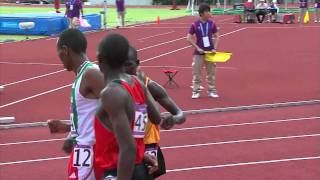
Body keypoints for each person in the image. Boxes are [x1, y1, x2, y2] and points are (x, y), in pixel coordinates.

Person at [94, 33, 161, 180]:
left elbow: (128, 147)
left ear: (100, 60)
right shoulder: (137, 83)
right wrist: (141, 154)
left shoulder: (111, 93)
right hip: (138, 167)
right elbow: (156, 118)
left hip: (120, 171)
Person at [124, 46, 186, 178]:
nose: (125, 70)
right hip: (126, 145)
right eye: (121, 65)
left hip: (147, 144)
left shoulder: (149, 86)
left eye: (129, 64)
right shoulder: (115, 86)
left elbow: (180, 114)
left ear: (137, 63)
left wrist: (174, 119)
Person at [53, 29, 105, 180]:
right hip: (81, 151)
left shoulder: (91, 74)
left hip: (91, 153)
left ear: (65, 50)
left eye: (60, 55)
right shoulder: (82, 75)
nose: (60, 60)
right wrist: (70, 129)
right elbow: (91, 116)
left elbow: (117, 109)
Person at [187, 3, 220, 99]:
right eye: (207, 11)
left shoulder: (212, 23)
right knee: (196, 74)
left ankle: (212, 91)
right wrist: (197, 48)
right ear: (202, 13)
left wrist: (215, 48)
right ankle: (196, 91)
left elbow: (217, 36)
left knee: (211, 73)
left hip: (210, 52)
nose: (209, 13)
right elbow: (188, 38)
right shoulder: (194, 24)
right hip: (199, 53)